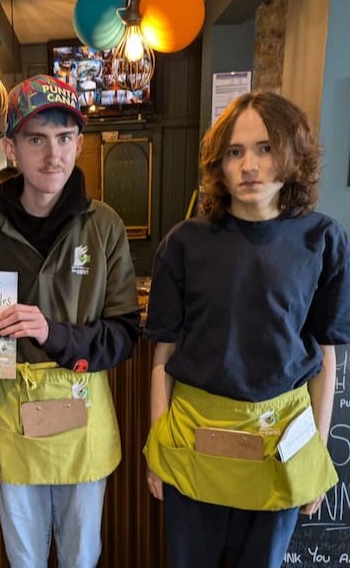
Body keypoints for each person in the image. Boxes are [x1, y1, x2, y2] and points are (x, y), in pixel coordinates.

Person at [143, 91, 350, 568]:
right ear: (219, 164)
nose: (249, 165)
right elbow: (163, 357)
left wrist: (318, 453)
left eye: (265, 148)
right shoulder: (184, 242)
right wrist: (157, 448)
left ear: (292, 155)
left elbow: (325, 359)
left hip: (281, 440)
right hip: (193, 435)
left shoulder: (323, 241)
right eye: (235, 152)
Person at [0, 74, 140, 567]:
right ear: (11, 148)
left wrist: (53, 333)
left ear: (80, 143)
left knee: (81, 554)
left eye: (65, 138)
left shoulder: (104, 225)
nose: (54, 155)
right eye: (36, 139)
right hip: (9, 421)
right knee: (23, 556)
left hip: (81, 419)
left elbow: (124, 334)